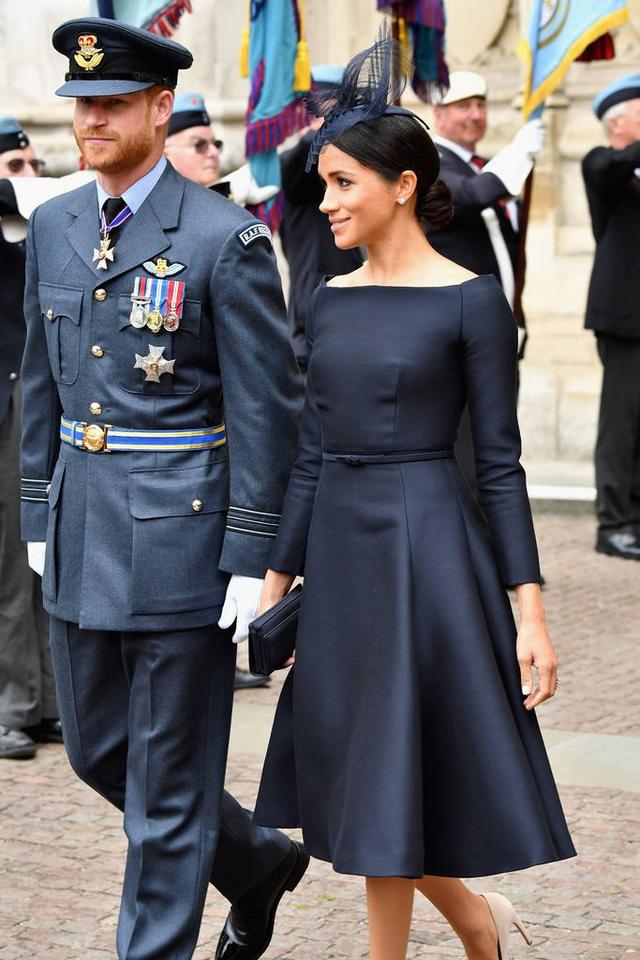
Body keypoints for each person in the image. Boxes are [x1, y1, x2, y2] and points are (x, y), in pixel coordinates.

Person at [252, 32, 575, 960]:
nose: (325, 202)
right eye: (323, 184)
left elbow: (501, 466)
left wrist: (530, 614)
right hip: (341, 558)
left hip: (429, 551)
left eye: (342, 182)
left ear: (400, 185)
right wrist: (275, 593)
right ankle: (478, 922)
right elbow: (310, 454)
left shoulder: (472, 300)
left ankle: (433, 937)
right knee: (360, 773)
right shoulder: (328, 298)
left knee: (395, 769)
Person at [20, 18, 306, 960]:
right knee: (101, 752)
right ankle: (256, 864)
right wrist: (35, 506)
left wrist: (252, 549)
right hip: (80, 525)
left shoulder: (225, 237)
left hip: (182, 535)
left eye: (111, 104)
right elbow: (40, 378)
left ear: (159, 107)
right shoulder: (56, 224)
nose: (90, 121)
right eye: (81, 105)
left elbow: (267, 406)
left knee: (170, 789)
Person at [167, 91, 276, 689]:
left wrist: (254, 552)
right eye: (198, 144)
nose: (213, 153)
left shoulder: (231, 227)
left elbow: (260, 393)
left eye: (216, 143)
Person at [427, 71, 544, 491]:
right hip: (458, 333)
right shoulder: (431, 162)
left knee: (496, 452)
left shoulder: (479, 166)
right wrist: (518, 156)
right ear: (439, 114)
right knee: (470, 456)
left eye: (480, 105)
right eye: (463, 106)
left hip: (498, 328)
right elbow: (471, 195)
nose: (475, 115)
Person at [0, 117, 61, 761]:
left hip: (37, 404)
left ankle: (46, 704)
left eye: (33, 165)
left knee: (37, 553)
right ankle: (14, 705)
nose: (29, 176)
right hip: (8, 405)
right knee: (8, 568)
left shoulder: (38, 227)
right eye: (14, 165)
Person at [583, 74, 640, 561]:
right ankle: (614, 523)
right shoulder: (602, 162)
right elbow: (611, 169)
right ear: (617, 121)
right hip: (625, 316)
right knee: (622, 424)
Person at [279, 65, 363, 370]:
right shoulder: (296, 163)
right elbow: (305, 153)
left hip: (357, 317)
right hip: (314, 331)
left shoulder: (357, 162)